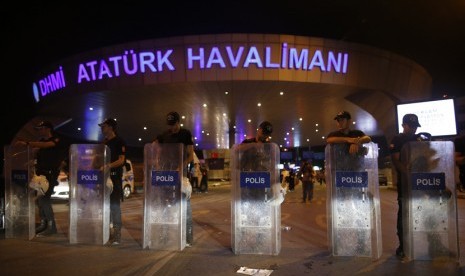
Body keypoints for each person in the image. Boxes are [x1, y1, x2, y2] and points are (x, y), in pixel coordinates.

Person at [15, 120, 68, 236]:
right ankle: (44, 224)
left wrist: (27, 143)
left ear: (48, 129)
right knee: (40, 200)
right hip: (40, 175)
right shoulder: (41, 142)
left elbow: (46, 145)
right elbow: (39, 154)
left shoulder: (56, 139)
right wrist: (32, 162)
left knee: (44, 199)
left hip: (50, 175)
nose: (39, 131)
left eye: (41, 128)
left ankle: (51, 227)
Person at [154, 111, 195, 246]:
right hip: (166, 174)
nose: (172, 128)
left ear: (178, 122)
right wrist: (156, 163)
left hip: (179, 174)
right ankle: (164, 235)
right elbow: (154, 146)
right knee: (165, 205)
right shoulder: (165, 135)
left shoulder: (185, 134)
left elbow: (190, 155)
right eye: (169, 125)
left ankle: (188, 237)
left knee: (184, 205)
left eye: (174, 124)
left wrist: (181, 167)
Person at [389, 113, 422, 260]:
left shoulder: (418, 139)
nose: (414, 129)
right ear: (404, 125)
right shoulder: (397, 139)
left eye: (415, 126)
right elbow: (396, 161)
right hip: (406, 183)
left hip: (421, 182)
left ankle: (428, 244)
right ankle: (403, 245)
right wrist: (408, 175)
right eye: (411, 126)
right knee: (404, 214)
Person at [98, 118, 126, 246]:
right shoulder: (104, 142)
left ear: (110, 127)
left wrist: (108, 166)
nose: (101, 128)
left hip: (114, 177)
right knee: (105, 206)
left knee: (114, 206)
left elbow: (121, 160)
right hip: (104, 178)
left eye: (103, 126)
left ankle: (117, 234)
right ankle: (106, 232)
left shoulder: (119, 141)